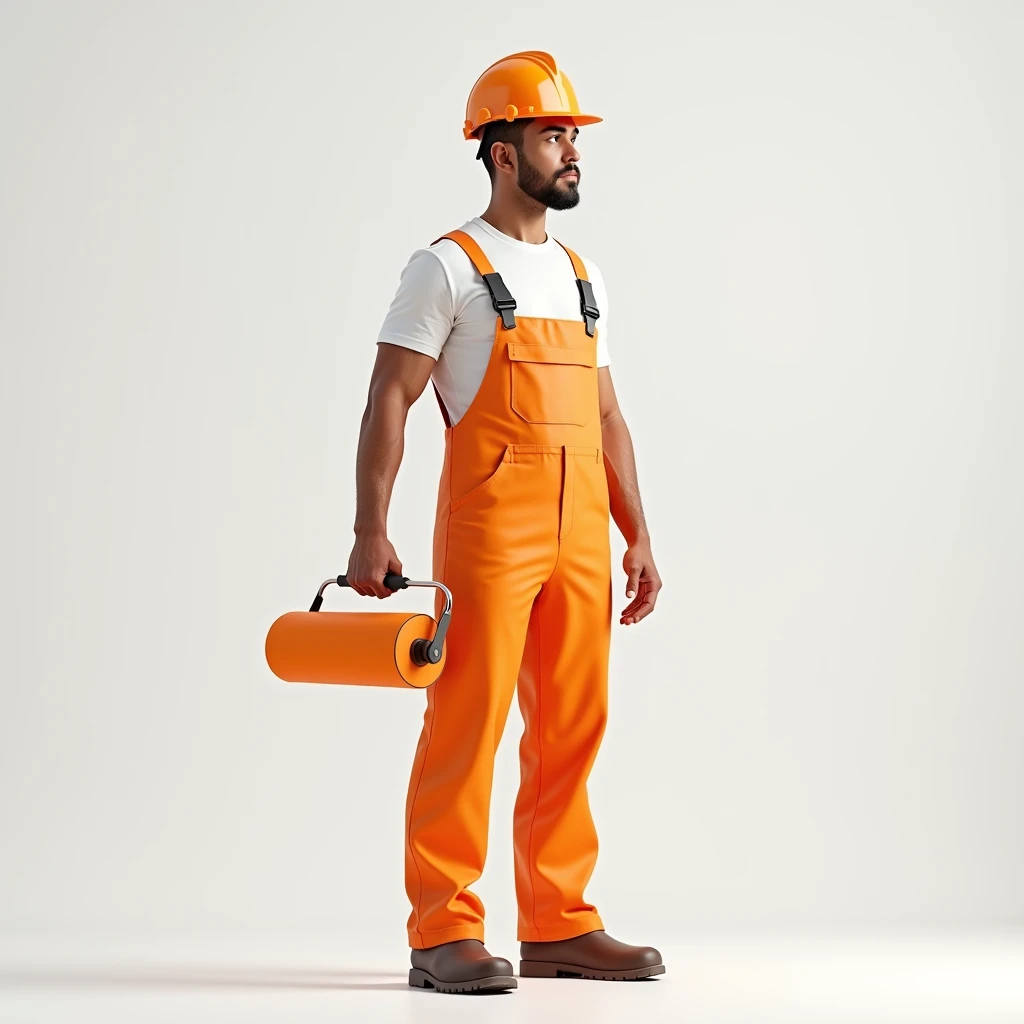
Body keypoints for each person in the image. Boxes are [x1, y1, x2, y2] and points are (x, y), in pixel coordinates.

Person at [345, 50, 664, 994]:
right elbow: (389, 400)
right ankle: (443, 930)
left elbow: (607, 416)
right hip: (492, 522)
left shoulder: (581, 273)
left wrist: (637, 531)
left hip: (579, 534)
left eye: (571, 135)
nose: (571, 151)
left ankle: (560, 923)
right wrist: (370, 529)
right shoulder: (446, 266)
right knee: (468, 722)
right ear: (499, 150)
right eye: (552, 134)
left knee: (572, 725)